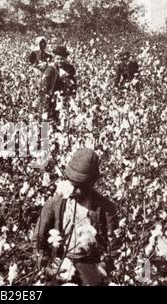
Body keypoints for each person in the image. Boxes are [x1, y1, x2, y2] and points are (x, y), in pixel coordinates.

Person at [33, 148, 120, 286]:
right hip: (60, 263)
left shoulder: (105, 208)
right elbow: (39, 239)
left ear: (92, 183)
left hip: (90, 267)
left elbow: (114, 248)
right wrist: (46, 264)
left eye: (81, 186)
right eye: (72, 183)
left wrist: (103, 266)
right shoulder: (55, 203)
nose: (74, 190)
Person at [41, 45, 77, 121]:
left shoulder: (70, 69)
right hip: (51, 99)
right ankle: (44, 133)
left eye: (62, 59)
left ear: (65, 58)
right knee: (46, 118)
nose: (60, 61)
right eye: (58, 59)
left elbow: (73, 84)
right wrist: (47, 101)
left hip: (65, 99)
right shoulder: (50, 70)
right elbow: (44, 87)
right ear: (54, 58)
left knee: (64, 120)